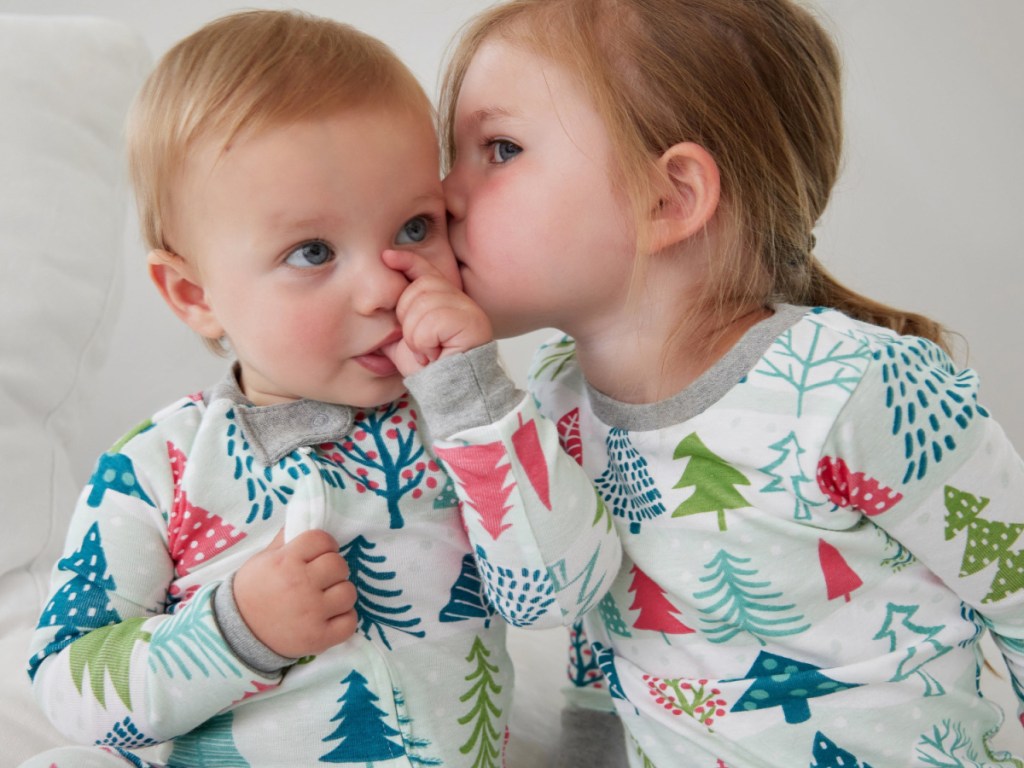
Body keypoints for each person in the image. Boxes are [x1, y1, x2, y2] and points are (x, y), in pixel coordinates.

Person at [22, 10, 620, 768]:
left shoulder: (470, 422)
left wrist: (473, 400)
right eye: (312, 251)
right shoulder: (158, 468)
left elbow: (563, 593)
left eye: (412, 229)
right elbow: (69, 690)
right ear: (192, 294)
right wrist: (234, 630)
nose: (381, 286)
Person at [438, 0, 1024, 766]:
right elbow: (592, 612)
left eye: (500, 148)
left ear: (670, 198)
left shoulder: (856, 389)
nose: (445, 194)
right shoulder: (555, 397)